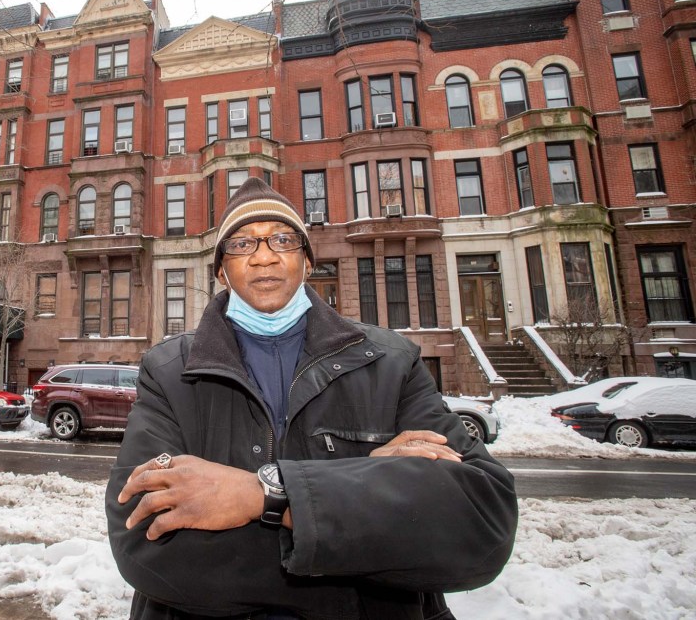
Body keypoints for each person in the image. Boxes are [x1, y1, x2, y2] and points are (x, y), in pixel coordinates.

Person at [106, 177, 517, 620]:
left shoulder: (391, 363)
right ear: (222, 271)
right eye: (242, 243)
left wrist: (261, 494)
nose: (264, 255)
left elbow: (480, 524)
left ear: (306, 260)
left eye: (282, 239)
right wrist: (365, 504)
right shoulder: (170, 373)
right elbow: (145, 543)